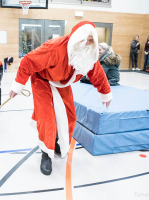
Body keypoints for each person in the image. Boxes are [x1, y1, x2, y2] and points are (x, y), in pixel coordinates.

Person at [9, 21, 112, 175]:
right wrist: (18, 85)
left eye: (91, 40)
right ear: (76, 37)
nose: (86, 43)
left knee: (70, 116)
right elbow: (28, 61)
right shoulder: (55, 48)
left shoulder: (89, 54)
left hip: (62, 84)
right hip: (42, 80)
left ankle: (57, 142)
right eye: (84, 39)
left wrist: (105, 92)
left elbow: (96, 73)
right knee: (47, 118)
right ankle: (46, 153)